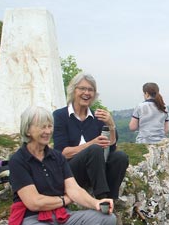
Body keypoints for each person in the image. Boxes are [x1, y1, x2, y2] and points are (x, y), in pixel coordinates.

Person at [53, 73, 129, 203]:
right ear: (73, 90)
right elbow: (62, 153)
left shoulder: (97, 117)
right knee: (94, 149)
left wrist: (111, 124)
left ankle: (111, 199)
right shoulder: (60, 116)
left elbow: (111, 148)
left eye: (90, 90)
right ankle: (102, 198)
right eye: (82, 89)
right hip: (71, 171)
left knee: (120, 157)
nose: (86, 93)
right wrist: (91, 144)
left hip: (96, 169)